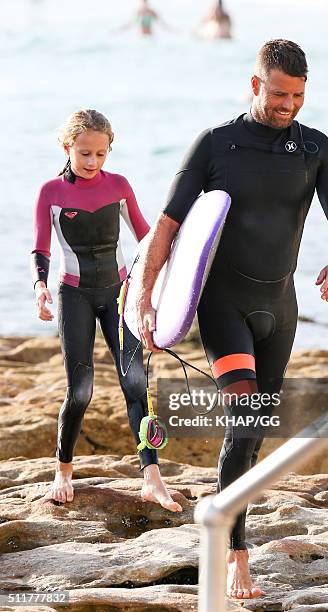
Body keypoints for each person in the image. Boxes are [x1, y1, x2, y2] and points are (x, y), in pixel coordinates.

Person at [134, 40, 328, 598]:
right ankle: (235, 551)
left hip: (280, 310)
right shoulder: (217, 144)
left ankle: (223, 514)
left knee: (254, 433)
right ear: (255, 84)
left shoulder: (316, 148)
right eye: (280, 93)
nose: (288, 105)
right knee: (245, 417)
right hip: (224, 305)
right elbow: (166, 227)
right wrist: (147, 299)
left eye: (299, 96)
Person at [31, 109, 182, 513]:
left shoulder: (119, 186)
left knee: (135, 384)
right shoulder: (51, 192)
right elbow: (41, 248)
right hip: (74, 295)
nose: (93, 161)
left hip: (118, 294)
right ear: (68, 148)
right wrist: (41, 288)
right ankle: (63, 471)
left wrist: (169, 283)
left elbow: (147, 238)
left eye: (101, 153)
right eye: (84, 153)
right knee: (80, 390)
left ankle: (151, 477)